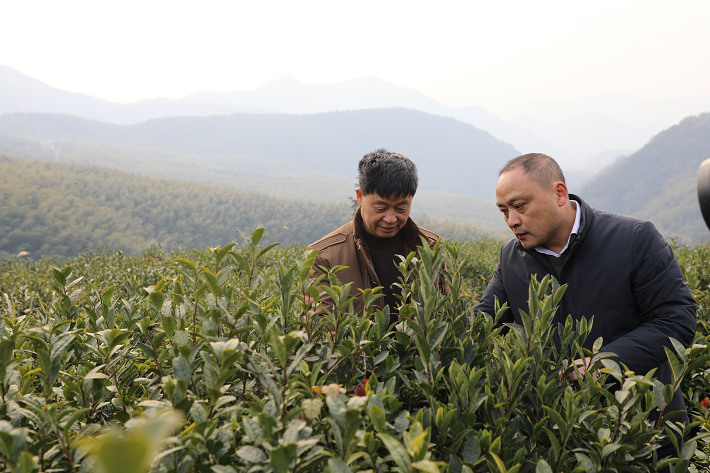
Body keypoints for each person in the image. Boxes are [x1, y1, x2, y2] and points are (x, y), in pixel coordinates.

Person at [473, 153, 696, 468]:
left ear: (560, 194)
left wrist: (601, 363)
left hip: (643, 433)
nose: (512, 220)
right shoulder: (512, 258)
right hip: (564, 440)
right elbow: (482, 326)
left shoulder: (633, 239)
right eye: (504, 211)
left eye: (520, 206)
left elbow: (676, 322)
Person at [307, 148, 449, 323]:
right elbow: (318, 330)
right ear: (360, 197)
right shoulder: (323, 256)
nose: (390, 219)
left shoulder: (430, 247)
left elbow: (445, 316)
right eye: (380, 208)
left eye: (401, 208)